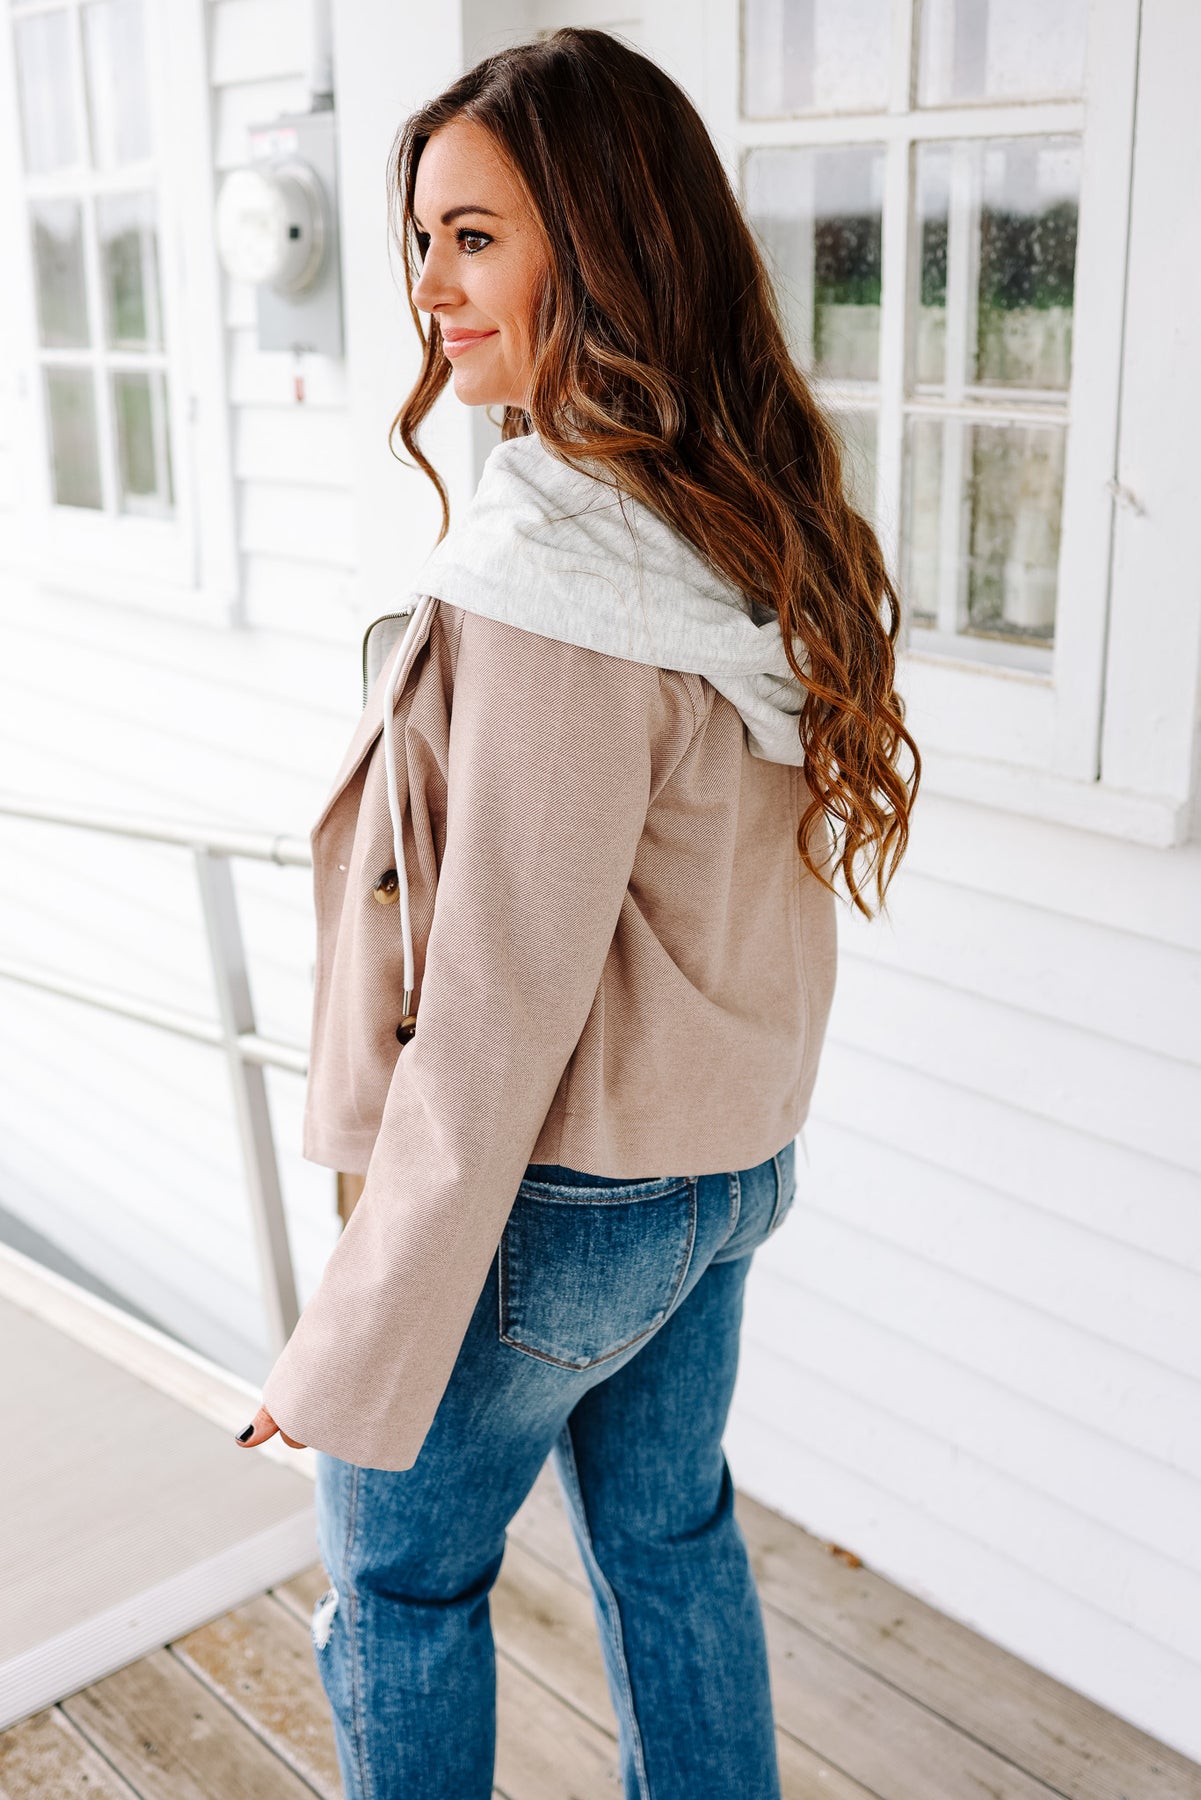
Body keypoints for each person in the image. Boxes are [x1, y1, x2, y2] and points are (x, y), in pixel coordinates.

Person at [235, 27, 919, 1800]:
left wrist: (354, 1330)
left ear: (605, 245)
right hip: (722, 1171)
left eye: (474, 237)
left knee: (402, 1582)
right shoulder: (744, 522)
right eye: (420, 239)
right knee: (670, 1538)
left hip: (562, 1200)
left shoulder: (557, 572)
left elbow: (496, 1001)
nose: (427, 288)